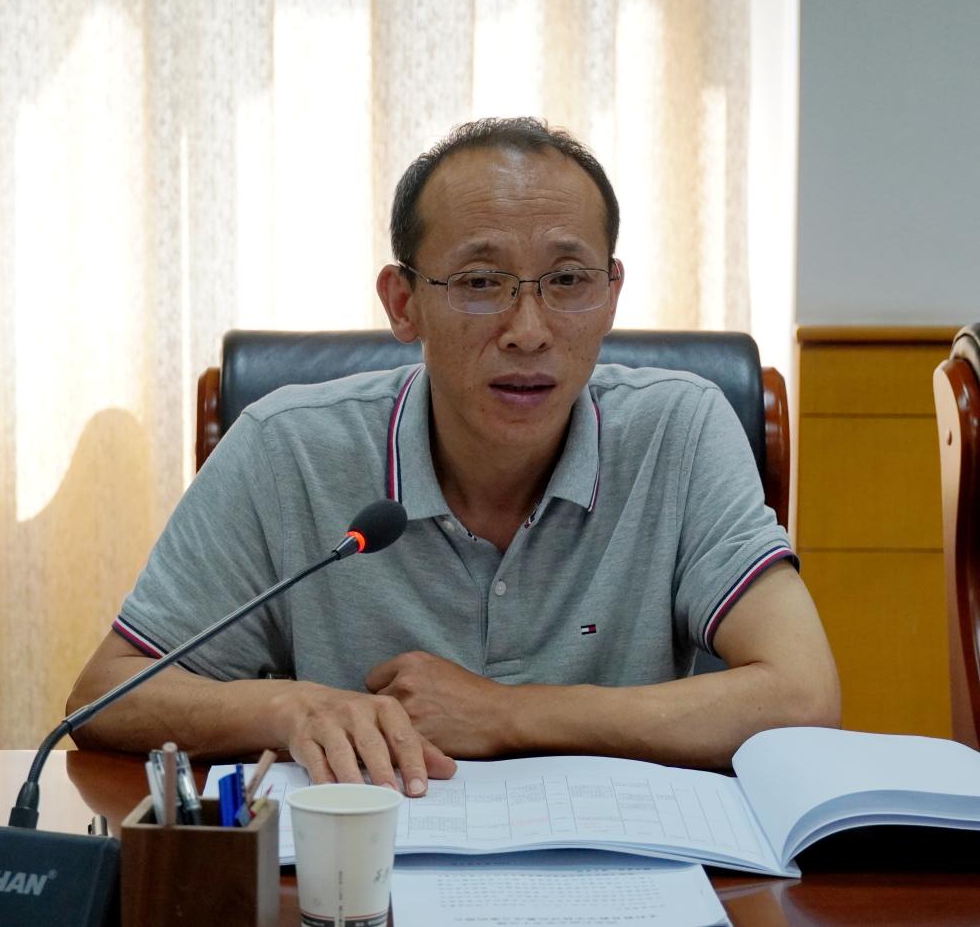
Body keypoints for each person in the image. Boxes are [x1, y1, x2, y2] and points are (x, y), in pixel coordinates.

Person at [67, 117, 840, 796]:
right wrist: (291, 706)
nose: (528, 330)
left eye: (568, 280)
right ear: (403, 303)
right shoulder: (287, 447)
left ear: (611, 294)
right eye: (480, 281)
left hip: (628, 871)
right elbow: (106, 694)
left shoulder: (681, 430)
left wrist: (505, 713)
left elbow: (802, 696)